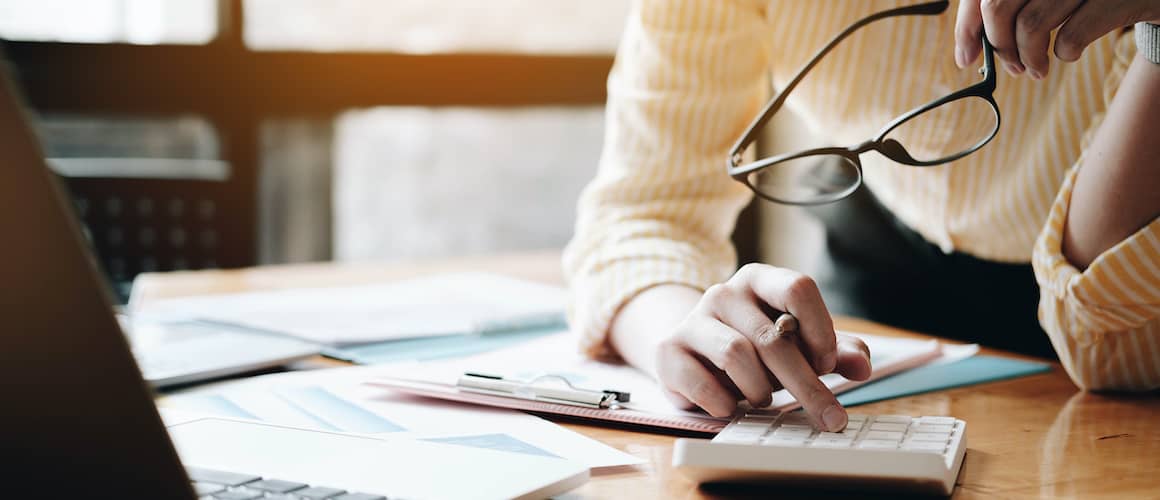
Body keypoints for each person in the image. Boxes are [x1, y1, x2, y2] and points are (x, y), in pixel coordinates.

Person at [564, 0, 1160, 432]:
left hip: (1101, 340)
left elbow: (1120, 351)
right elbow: (642, 216)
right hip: (877, 296)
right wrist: (691, 339)